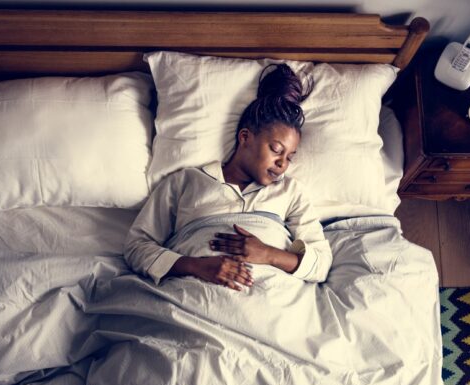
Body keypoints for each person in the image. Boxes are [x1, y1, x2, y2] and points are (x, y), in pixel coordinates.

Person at [123, 64, 333, 291]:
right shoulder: (186, 182)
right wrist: (196, 266)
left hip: (271, 301)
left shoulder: (291, 192)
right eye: (275, 149)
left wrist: (269, 254)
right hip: (191, 295)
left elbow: (321, 263)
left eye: (289, 157)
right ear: (245, 138)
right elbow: (136, 247)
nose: (282, 164)